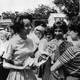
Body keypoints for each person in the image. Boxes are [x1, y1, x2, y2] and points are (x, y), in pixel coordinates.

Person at [2, 14, 37, 80]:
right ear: (19, 28)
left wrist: (33, 64)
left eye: (30, 25)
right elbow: (5, 64)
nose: (30, 28)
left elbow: (30, 58)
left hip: (29, 74)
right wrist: (21, 68)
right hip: (17, 74)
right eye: (27, 26)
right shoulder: (12, 42)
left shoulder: (30, 41)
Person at [50, 16, 80, 80]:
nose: (57, 33)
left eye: (60, 31)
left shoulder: (70, 46)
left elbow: (53, 68)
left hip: (65, 75)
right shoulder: (51, 43)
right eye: (55, 31)